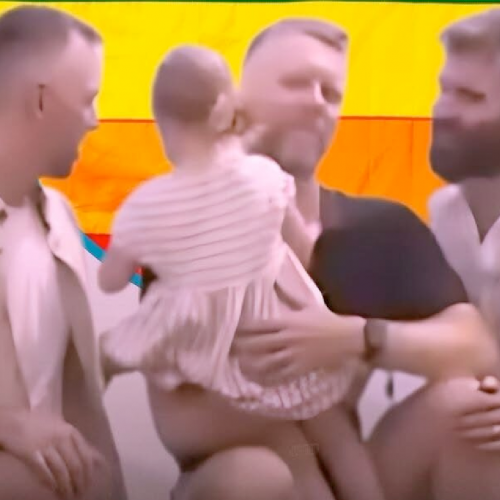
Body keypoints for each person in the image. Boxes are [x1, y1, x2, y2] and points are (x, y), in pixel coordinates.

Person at [138, 17, 497, 500]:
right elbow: (180, 423)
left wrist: (356, 337)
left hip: (350, 462)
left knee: (472, 409)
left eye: (331, 93)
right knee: (256, 475)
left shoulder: (377, 228)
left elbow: (476, 349)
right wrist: (299, 436)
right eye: (295, 84)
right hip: (251, 463)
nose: (316, 102)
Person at [99, 43, 386, 500]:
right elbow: (303, 249)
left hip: (215, 356)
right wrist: (301, 246)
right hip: (269, 348)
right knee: (326, 436)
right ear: (224, 112)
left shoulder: (151, 203)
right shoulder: (262, 176)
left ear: (163, 126)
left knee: (293, 441)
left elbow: (112, 278)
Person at [0, 6, 127, 500]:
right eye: (88, 99)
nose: (94, 121)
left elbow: (66, 391)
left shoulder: (59, 220)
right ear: (40, 101)